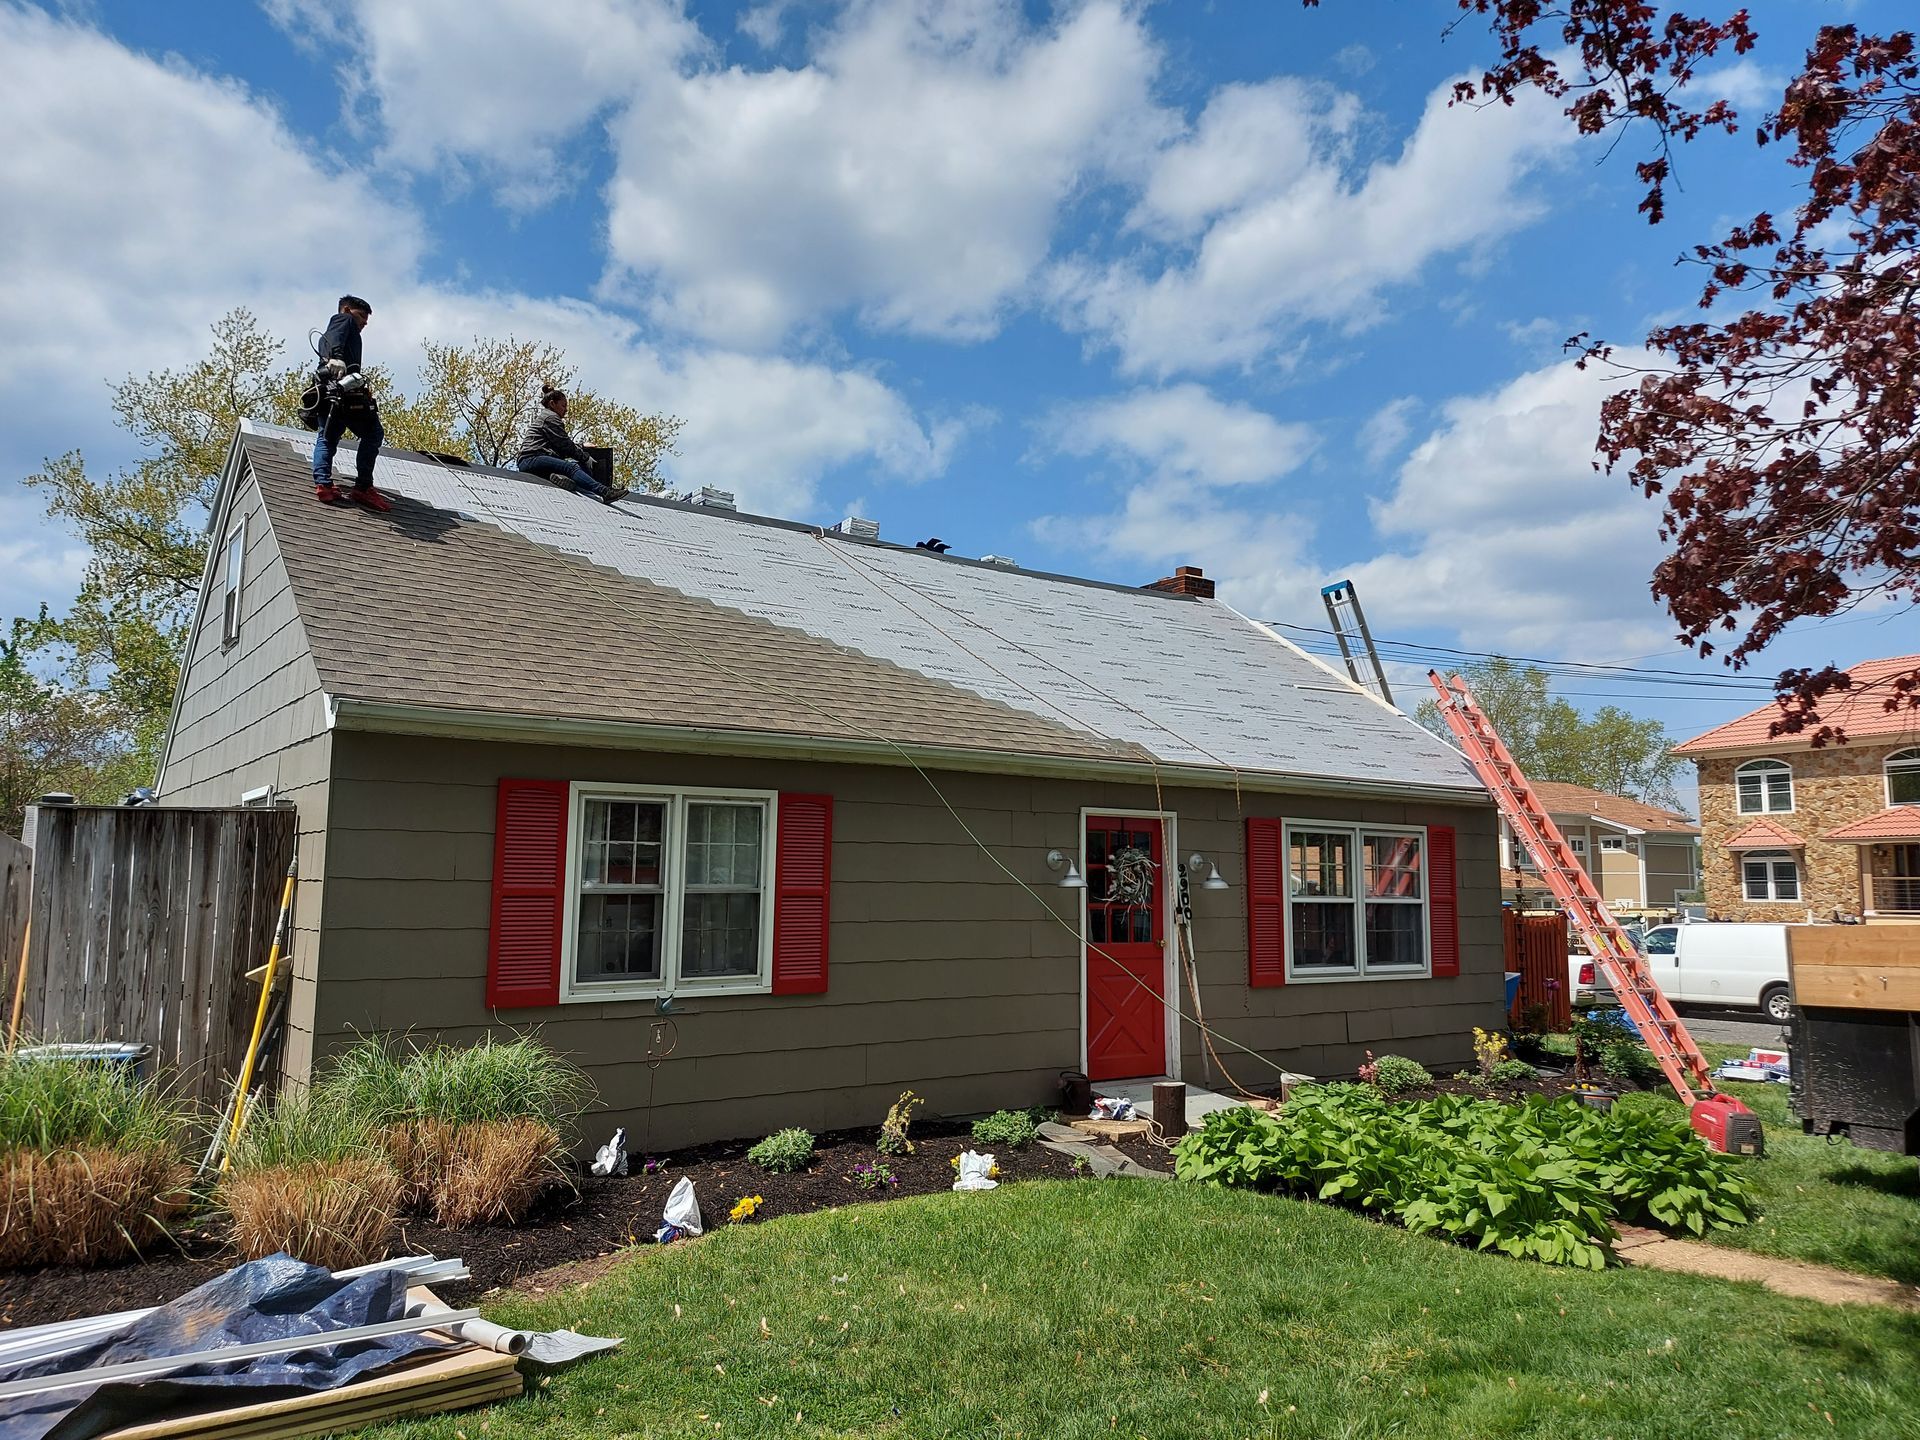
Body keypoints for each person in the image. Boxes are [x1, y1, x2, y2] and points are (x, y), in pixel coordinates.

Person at [310, 294, 390, 510]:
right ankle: (363, 488)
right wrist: (336, 357)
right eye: (361, 316)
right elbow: (335, 339)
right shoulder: (342, 320)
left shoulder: (328, 337)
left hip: (328, 393)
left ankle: (324, 485)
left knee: (327, 437)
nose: (364, 322)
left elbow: (331, 342)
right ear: (346, 310)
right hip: (343, 393)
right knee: (373, 433)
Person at [514, 387, 629, 504]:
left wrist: (582, 446)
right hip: (531, 458)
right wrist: (585, 456)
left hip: (534, 460)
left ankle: (557, 477)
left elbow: (560, 444)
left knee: (574, 466)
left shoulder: (547, 417)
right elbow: (565, 445)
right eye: (563, 406)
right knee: (571, 467)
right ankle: (605, 492)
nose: (566, 410)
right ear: (552, 404)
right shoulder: (551, 418)